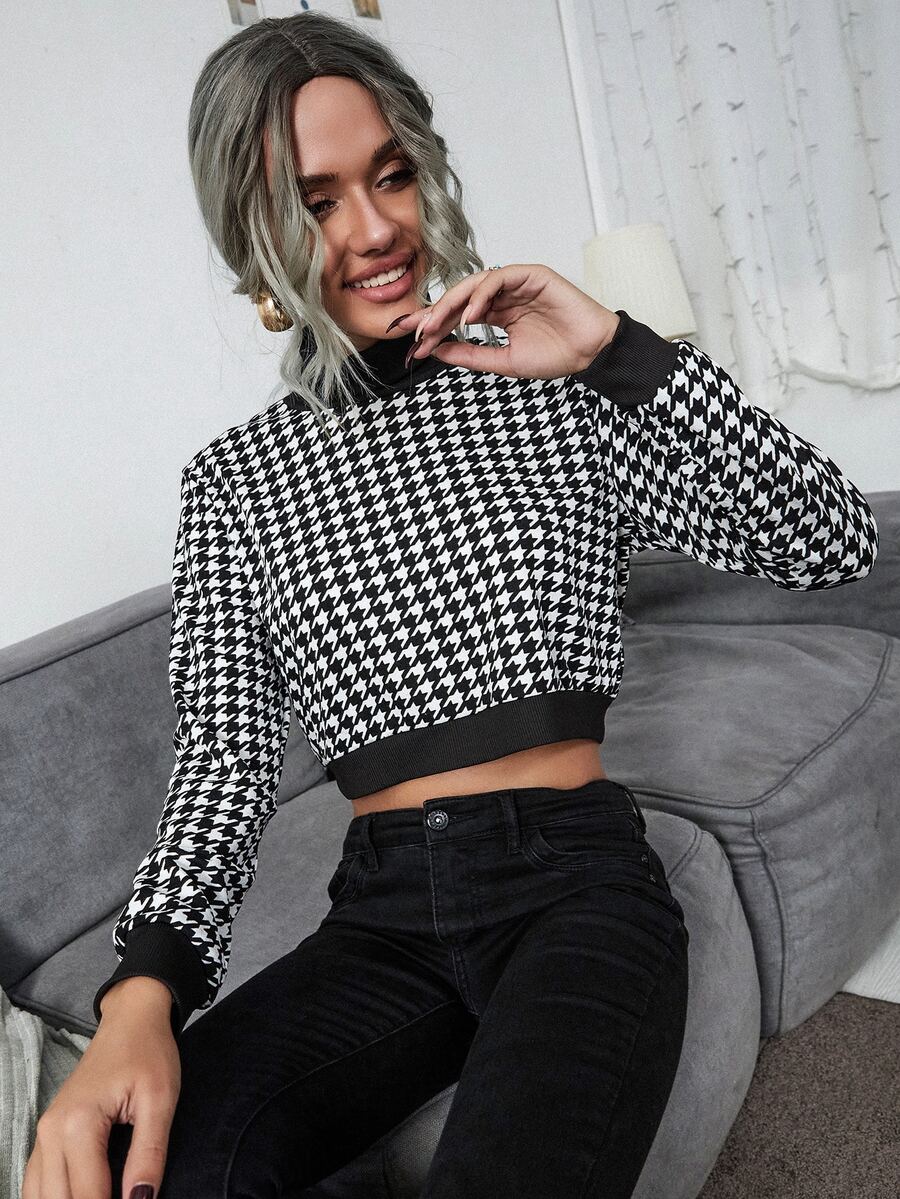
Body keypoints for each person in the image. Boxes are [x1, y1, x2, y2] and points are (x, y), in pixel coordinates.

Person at [23, 12, 879, 1199]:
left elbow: (828, 539)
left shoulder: (549, 389)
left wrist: (618, 352)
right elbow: (224, 757)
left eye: (391, 175)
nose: (376, 228)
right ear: (253, 236)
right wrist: (142, 995)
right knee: (163, 1167)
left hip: (577, 883)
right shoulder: (235, 481)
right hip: (379, 913)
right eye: (317, 201)